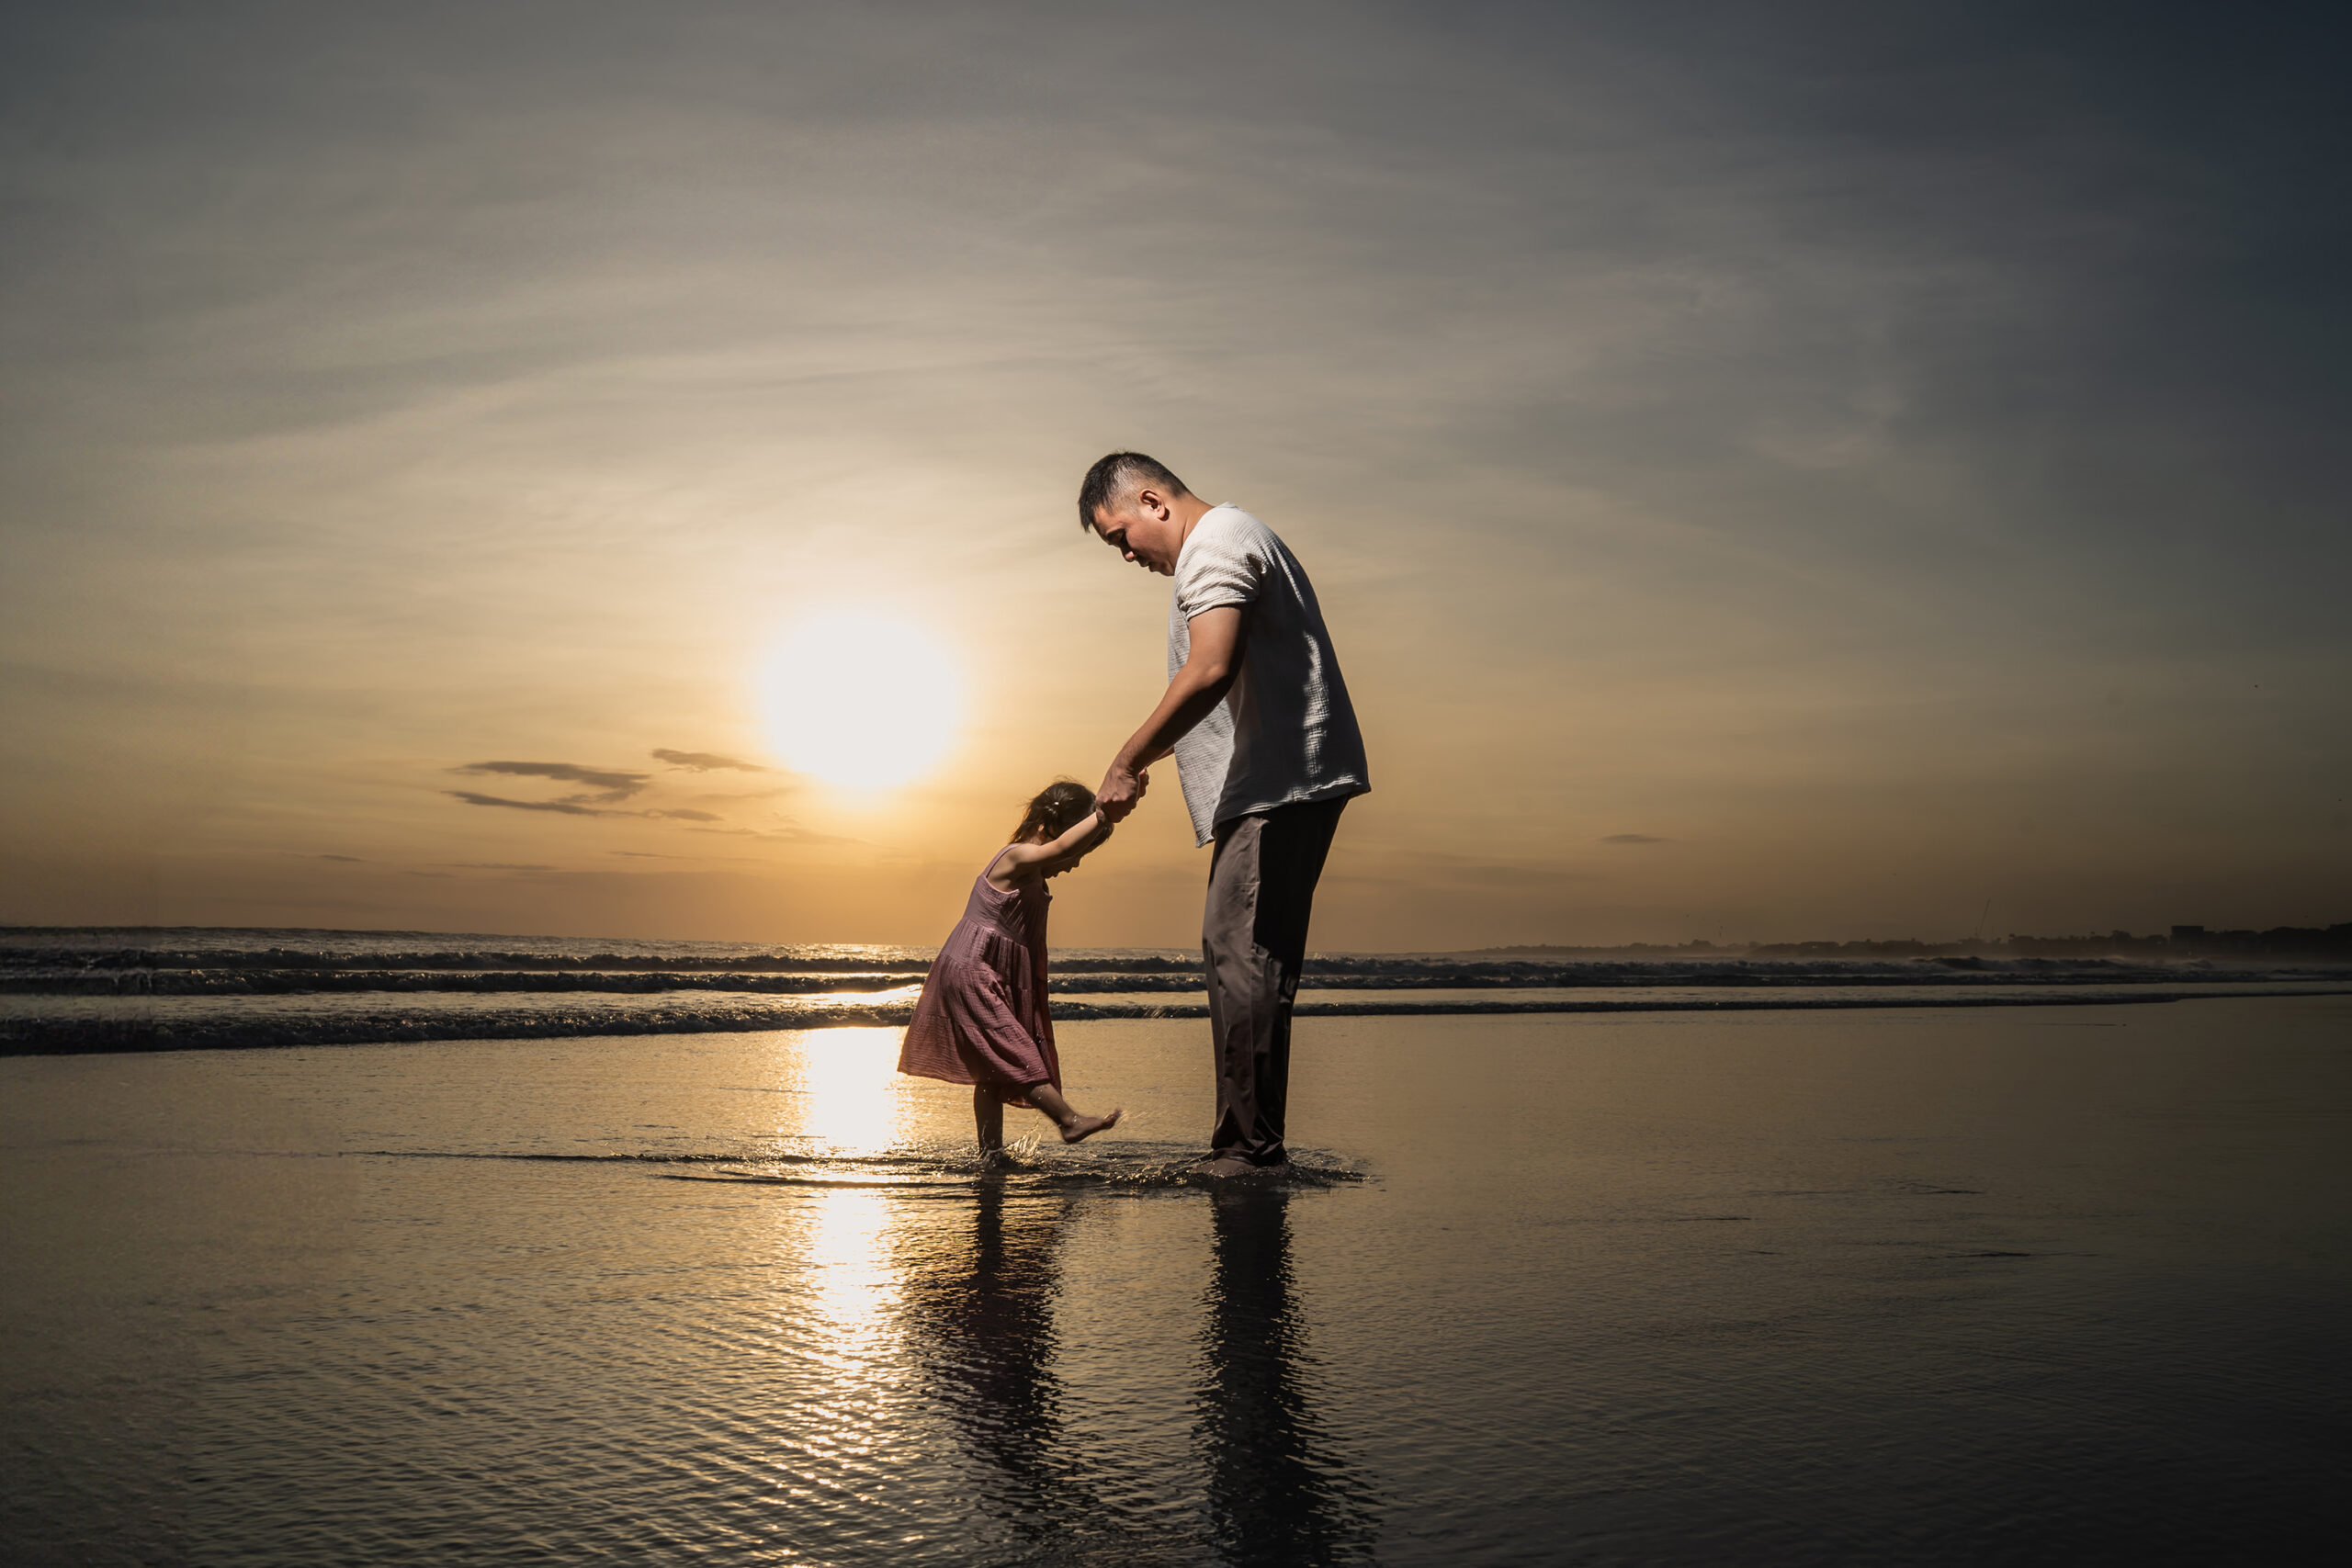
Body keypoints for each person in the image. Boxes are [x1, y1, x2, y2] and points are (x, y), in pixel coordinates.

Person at [1079, 453, 1369, 1176]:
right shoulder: (1232, 538)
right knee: (1242, 955)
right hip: (1281, 781)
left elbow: (1209, 668)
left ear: (1153, 502)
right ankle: (1250, 1141)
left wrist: (1127, 758)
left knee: (1241, 958)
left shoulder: (1214, 542)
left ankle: (1247, 1149)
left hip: (1278, 786)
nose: (1125, 554)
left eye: (1120, 535)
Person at [899, 779, 1126, 1154]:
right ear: (1052, 831)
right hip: (973, 971)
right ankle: (1068, 1121)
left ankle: (990, 1155)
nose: (1075, 863)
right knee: (1016, 1051)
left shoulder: (1032, 870)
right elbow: (1063, 848)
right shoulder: (1016, 858)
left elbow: (1064, 848)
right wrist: (1104, 815)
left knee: (991, 1069)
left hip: (988, 972)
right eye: (1079, 852)